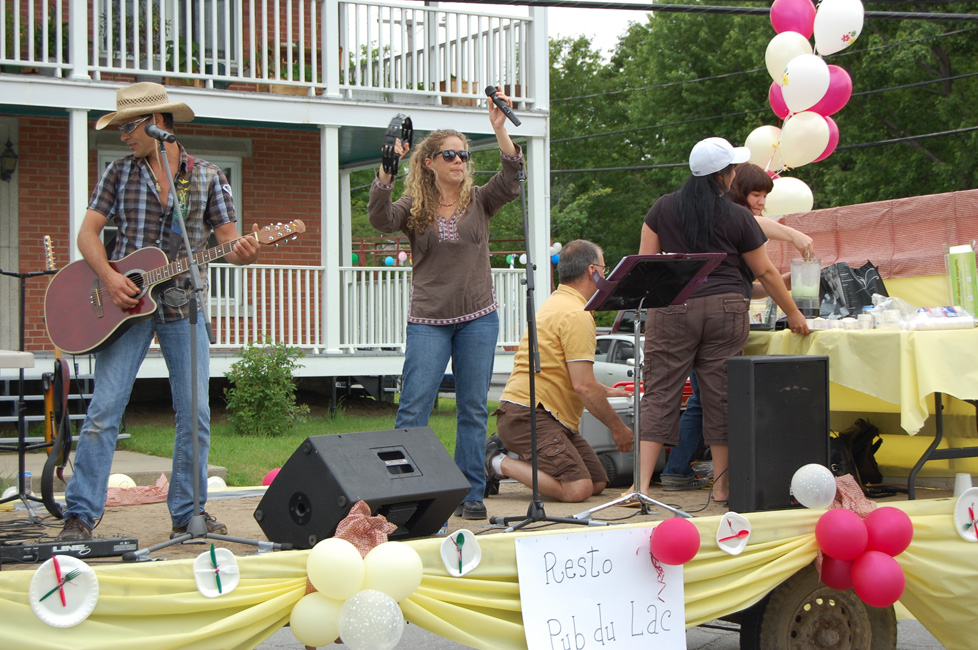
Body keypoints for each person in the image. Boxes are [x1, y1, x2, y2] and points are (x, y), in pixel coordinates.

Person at [57, 83, 261, 542]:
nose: (124, 136)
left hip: (184, 301)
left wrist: (244, 250)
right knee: (105, 408)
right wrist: (111, 278)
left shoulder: (208, 176)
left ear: (158, 124)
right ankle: (81, 514)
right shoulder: (118, 173)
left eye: (129, 127)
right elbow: (87, 235)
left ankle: (189, 512)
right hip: (124, 303)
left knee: (195, 414)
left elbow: (229, 243)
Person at [368, 92, 520, 520]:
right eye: (450, 155)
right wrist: (386, 167)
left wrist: (498, 128)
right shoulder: (414, 206)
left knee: (472, 409)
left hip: (478, 319)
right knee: (414, 407)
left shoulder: (480, 201)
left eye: (464, 155)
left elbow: (512, 175)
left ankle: (471, 493)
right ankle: (406, 493)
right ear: (429, 161)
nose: (459, 161)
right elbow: (379, 218)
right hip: (429, 321)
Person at [636, 137, 809, 504]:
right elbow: (764, 271)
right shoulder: (739, 216)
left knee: (660, 394)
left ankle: (641, 488)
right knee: (720, 397)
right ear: (725, 176)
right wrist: (793, 313)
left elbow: (646, 266)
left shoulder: (662, 209)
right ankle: (723, 488)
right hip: (727, 308)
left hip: (673, 306)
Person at [487, 240, 634, 502]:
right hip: (529, 415)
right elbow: (583, 387)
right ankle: (496, 460)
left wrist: (609, 391)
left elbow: (568, 375)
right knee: (577, 489)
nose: (607, 273)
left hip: (543, 415)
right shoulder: (577, 313)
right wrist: (618, 428)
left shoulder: (557, 302)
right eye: (605, 267)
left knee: (598, 482)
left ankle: (518, 456)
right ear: (593, 271)